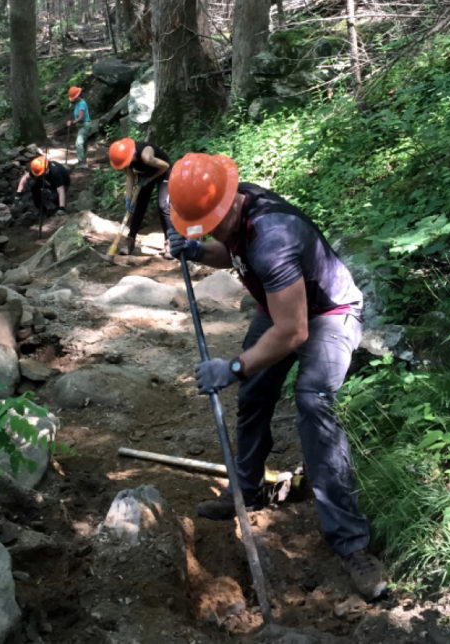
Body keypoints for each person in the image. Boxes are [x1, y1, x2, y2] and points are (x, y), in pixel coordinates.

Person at [164, 152, 388, 601]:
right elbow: (233, 256)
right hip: (281, 306)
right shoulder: (237, 210)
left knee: (313, 401)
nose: (205, 230)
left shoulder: (273, 238)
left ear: (227, 207)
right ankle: (247, 491)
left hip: (330, 314)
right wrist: (197, 251)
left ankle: (352, 545)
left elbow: (294, 331)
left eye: (207, 224)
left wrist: (231, 366)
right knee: (254, 392)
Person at [108, 137, 171, 256]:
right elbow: (130, 177)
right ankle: (130, 241)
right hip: (146, 175)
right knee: (139, 206)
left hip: (163, 172)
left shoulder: (145, 155)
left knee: (163, 206)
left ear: (131, 155)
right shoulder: (125, 158)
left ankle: (170, 242)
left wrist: (149, 179)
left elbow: (166, 166)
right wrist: (129, 197)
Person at [15, 155, 69, 224]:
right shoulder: (38, 169)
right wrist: (18, 193)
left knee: (54, 199)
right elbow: (24, 178)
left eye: (40, 174)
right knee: (34, 186)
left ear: (46, 169)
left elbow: (61, 190)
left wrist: (62, 208)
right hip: (47, 179)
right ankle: (39, 207)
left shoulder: (55, 172)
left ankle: (54, 210)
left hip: (63, 182)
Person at [66, 86, 91, 165]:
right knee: (83, 143)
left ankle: (81, 162)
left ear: (77, 96)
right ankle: (84, 162)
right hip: (80, 125)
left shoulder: (82, 104)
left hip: (85, 125)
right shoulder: (77, 103)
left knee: (79, 143)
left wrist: (72, 122)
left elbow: (80, 117)